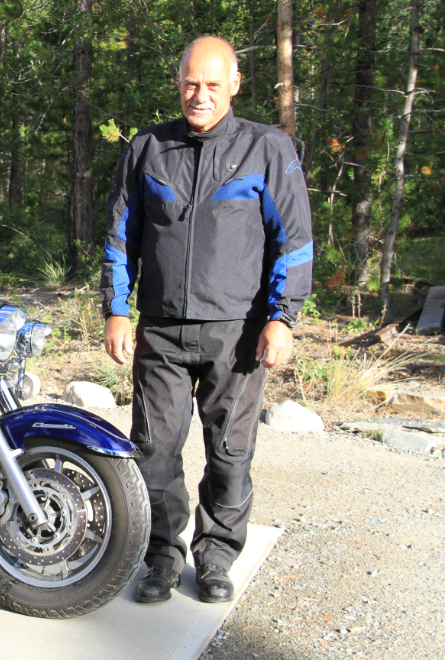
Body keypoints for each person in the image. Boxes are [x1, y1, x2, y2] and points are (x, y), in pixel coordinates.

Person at [100, 36, 313, 604]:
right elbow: (122, 238)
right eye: (191, 83)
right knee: (155, 451)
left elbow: (292, 242)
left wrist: (283, 318)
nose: (200, 95)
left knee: (230, 453)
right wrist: (117, 309)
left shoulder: (268, 149)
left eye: (213, 85)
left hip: (237, 333)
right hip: (162, 331)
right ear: (178, 83)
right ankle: (161, 559)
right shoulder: (149, 148)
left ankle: (216, 558)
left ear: (235, 85)